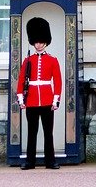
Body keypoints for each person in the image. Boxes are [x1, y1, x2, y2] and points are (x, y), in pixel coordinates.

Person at [16, 17, 62, 170]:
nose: (39, 45)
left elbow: (58, 81)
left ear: (45, 42)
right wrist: (21, 98)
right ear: (33, 42)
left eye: (41, 42)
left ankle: (51, 161)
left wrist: (56, 100)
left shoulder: (53, 60)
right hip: (32, 101)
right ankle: (30, 162)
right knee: (32, 133)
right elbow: (21, 79)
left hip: (47, 100)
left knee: (48, 133)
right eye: (36, 42)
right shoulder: (27, 60)